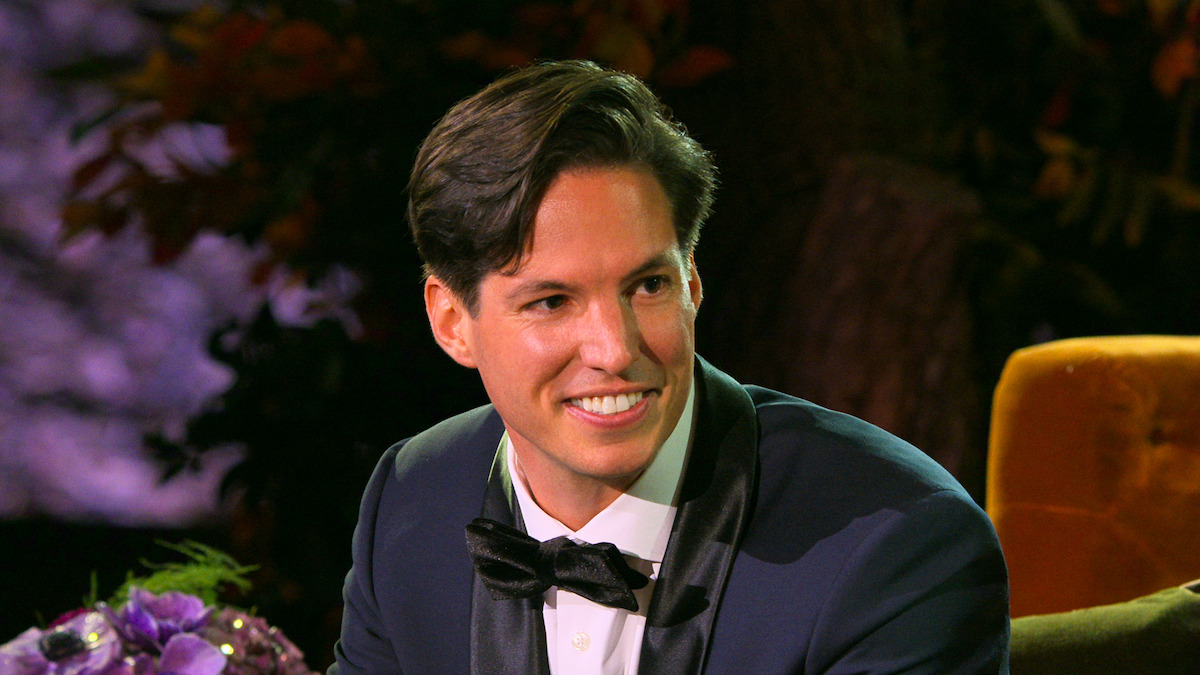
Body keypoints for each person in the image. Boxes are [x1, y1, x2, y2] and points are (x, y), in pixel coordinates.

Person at [331, 60, 1010, 675]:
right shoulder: (413, 498)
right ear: (453, 321)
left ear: (692, 279)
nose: (614, 348)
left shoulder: (896, 546)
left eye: (647, 286)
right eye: (551, 300)